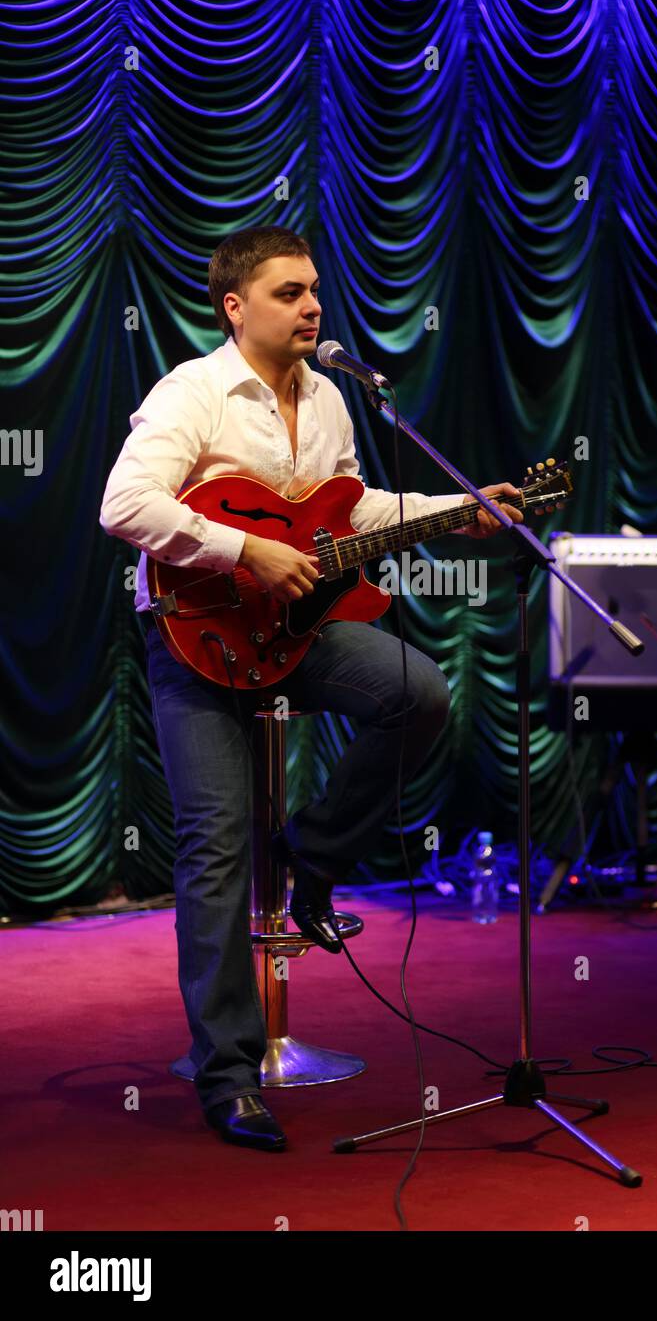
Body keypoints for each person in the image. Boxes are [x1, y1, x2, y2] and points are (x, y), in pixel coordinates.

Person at [99, 225, 522, 1151]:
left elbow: (348, 507)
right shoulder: (193, 393)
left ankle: (312, 854)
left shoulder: (329, 397)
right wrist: (246, 546)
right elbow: (123, 504)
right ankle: (229, 1076)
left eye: (315, 292)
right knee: (214, 844)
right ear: (235, 306)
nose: (312, 307)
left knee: (419, 694)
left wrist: (459, 510)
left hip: (300, 631)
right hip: (196, 640)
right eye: (290, 293)